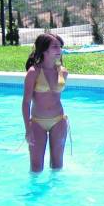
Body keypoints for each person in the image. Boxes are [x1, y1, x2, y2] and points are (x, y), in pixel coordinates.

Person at [22, 33, 68, 173]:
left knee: (57, 166)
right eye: (55, 47)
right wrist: (27, 129)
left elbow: (56, 96)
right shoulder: (33, 72)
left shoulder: (63, 72)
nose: (59, 50)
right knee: (36, 168)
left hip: (59, 120)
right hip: (37, 122)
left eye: (60, 47)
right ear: (44, 50)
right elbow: (26, 103)